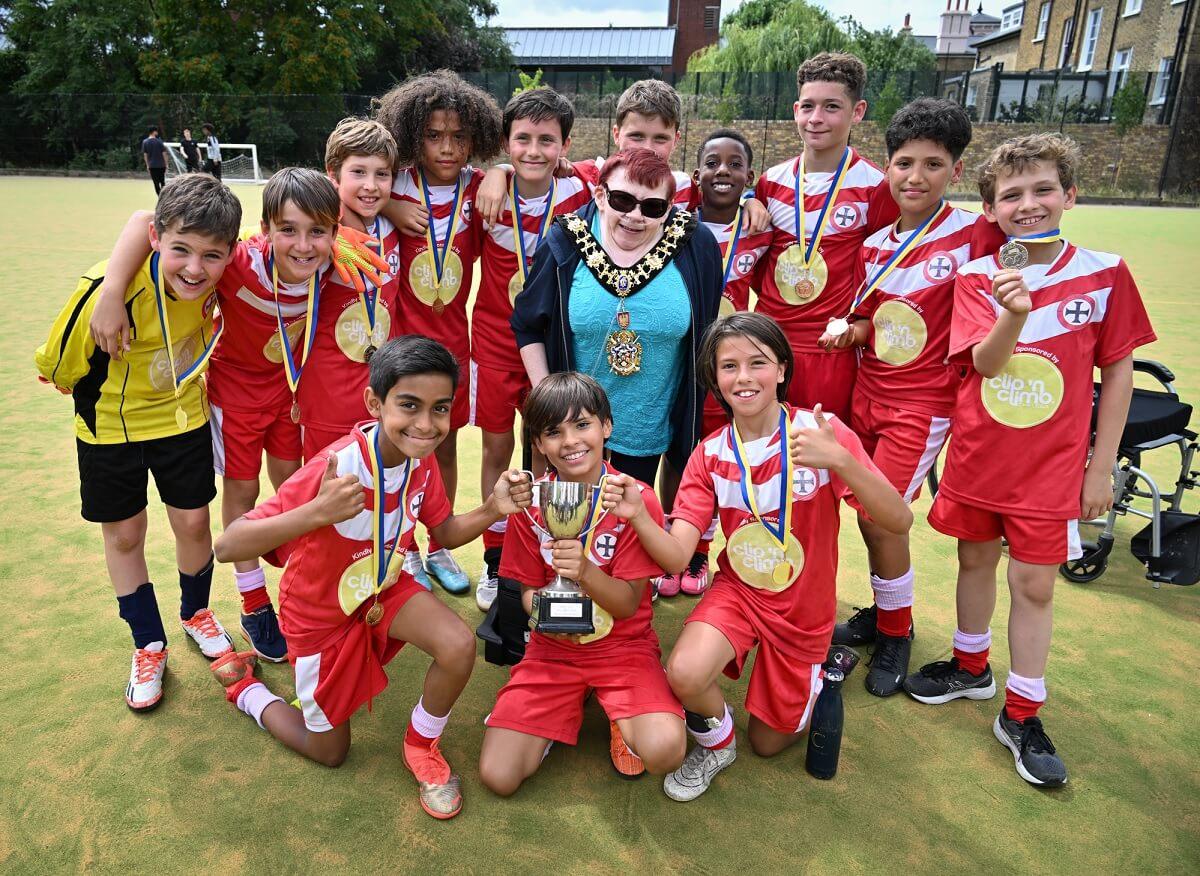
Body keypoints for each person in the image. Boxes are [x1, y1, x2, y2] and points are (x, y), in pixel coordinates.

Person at [903, 134, 1155, 787]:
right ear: (990, 208)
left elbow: (1119, 373)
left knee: (1035, 585)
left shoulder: (1103, 271)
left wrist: (1101, 468)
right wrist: (1012, 314)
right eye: (1011, 194)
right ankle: (969, 666)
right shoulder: (979, 275)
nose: (1029, 203)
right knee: (975, 560)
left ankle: (1023, 711)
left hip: (1053, 468)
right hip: (982, 456)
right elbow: (983, 363)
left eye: (1043, 189)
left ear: (1069, 194)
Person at [210, 336, 532, 819]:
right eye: (409, 406)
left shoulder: (420, 462)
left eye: (439, 409)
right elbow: (228, 544)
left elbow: (442, 530)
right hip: (321, 612)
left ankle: (421, 745)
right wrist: (315, 513)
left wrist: (491, 509)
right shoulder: (335, 466)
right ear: (374, 403)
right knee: (329, 751)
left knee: (459, 645)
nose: (426, 424)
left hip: (383, 589)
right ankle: (248, 693)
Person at [603, 312, 911, 801]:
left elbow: (898, 521)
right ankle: (718, 745)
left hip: (804, 608)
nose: (743, 377)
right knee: (683, 672)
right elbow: (680, 559)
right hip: (740, 594)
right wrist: (640, 516)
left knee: (769, 743)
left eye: (757, 363)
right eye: (729, 367)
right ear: (715, 379)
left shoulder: (822, 434)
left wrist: (844, 462)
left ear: (783, 369)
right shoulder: (709, 454)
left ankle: (820, 672)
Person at [89, 168, 347, 662]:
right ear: (265, 228)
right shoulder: (234, 264)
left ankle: (304, 590)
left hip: (293, 393)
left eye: (318, 231)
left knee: (295, 484)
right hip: (236, 398)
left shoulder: (338, 262)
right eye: (288, 230)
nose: (304, 244)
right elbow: (149, 220)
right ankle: (253, 601)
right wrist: (111, 290)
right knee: (243, 493)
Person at [34, 173, 243, 712]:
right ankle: (148, 642)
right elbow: (60, 365)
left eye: (211, 256)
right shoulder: (108, 287)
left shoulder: (226, 273)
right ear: (157, 239)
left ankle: (196, 614)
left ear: (229, 254)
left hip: (182, 418)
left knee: (195, 522)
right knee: (125, 535)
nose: (195, 269)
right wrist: (109, 296)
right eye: (181, 251)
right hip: (109, 427)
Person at [819, 98, 1006, 697]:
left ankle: (896, 631)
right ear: (889, 167)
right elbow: (879, 319)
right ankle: (883, 611)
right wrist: (853, 330)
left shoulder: (976, 232)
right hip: (867, 393)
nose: (915, 177)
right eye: (904, 163)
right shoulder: (875, 244)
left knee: (883, 513)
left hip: (923, 404)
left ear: (955, 170)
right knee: (862, 511)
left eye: (932, 163)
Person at [478, 372, 686, 793]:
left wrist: (584, 572)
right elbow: (523, 592)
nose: (570, 441)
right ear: (537, 443)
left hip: (623, 648)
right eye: (553, 432)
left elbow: (628, 605)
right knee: (498, 777)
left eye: (583, 424)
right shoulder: (530, 501)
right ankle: (560, 712)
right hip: (552, 652)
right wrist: (550, 609)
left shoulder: (632, 496)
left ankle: (621, 716)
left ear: (606, 426)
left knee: (665, 751)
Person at [511, 147, 722, 492]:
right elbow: (527, 323)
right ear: (600, 195)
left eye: (652, 207)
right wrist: (550, 399)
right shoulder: (567, 240)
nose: (635, 216)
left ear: (668, 208)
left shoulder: (695, 246)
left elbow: (704, 332)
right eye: (623, 200)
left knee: (630, 528)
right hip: (572, 427)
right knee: (570, 528)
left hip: (649, 425)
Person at [376, 70, 504, 595]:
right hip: (399, 346)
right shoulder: (396, 181)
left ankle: (439, 547)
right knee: (393, 448)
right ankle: (397, 549)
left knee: (442, 448)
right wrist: (385, 203)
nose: (447, 147)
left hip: (453, 345)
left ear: (475, 139)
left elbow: (550, 166)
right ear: (413, 136)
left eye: (459, 137)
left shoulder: (481, 187)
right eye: (434, 135)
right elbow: (339, 183)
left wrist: (498, 170)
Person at [470, 87, 593, 612]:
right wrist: (497, 170)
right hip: (497, 344)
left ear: (564, 145)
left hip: (554, 345)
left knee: (557, 451)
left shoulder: (583, 191)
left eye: (547, 140)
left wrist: (749, 198)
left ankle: (554, 551)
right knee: (498, 451)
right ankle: (495, 561)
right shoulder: (484, 192)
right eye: (522, 139)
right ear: (506, 141)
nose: (534, 150)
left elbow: (649, 170)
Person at [753, 52, 900, 422]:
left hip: (831, 349)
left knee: (822, 461)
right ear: (795, 110)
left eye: (831, 107)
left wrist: (858, 328)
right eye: (808, 106)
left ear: (858, 111)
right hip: (768, 344)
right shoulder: (771, 182)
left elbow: (884, 273)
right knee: (762, 456)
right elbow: (757, 263)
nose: (816, 119)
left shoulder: (875, 187)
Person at [660, 128, 774, 599]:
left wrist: (755, 203)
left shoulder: (762, 231)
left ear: (750, 175)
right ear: (696, 173)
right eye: (712, 163)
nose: (722, 171)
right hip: (681, 358)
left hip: (731, 367)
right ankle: (672, 543)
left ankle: (703, 550)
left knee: (724, 455)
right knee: (681, 453)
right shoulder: (675, 222)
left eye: (734, 164)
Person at [300, 117, 402, 462]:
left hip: (379, 391)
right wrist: (327, 236)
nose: (371, 185)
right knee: (323, 491)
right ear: (333, 174)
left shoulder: (391, 226)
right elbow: (272, 231)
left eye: (382, 174)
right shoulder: (315, 234)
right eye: (358, 172)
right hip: (326, 393)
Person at [142, 127, 168, 195]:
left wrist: (147, 165)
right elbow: (164, 153)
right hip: (161, 165)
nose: (157, 132)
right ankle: (164, 197)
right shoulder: (159, 141)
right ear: (154, 132)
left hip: (152, 166)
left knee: (156, 183)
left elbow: (145, 155)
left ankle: (159, 196)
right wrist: (166, 164)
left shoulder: (145, 142)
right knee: (162, 182)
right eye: (156, 131)